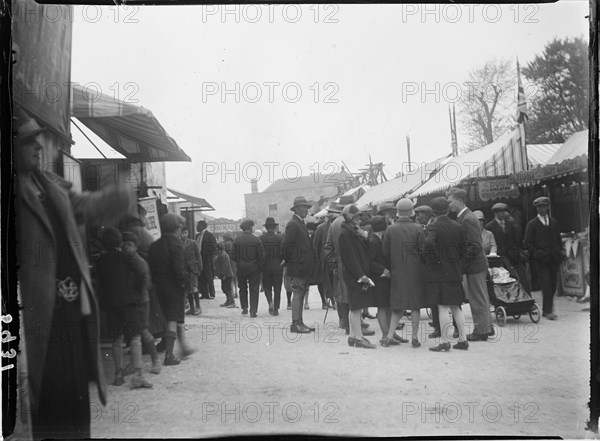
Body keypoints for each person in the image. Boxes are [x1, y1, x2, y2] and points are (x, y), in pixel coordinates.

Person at [14, 105, 134, 439]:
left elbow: (84, 206)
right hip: (37, 320)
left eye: (39, 140)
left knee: (75, 393)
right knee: (46, 395)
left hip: (70, 310)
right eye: (28, 142)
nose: (39, 147)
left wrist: (118, 197)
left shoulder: (51, 185)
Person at [96, 228, 153, 389]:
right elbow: (141, 274)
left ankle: (118, 373)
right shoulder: (125, 256)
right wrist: (136, 290)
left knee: (116, 339)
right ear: (119, 242)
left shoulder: (100, 261)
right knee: (135, 338)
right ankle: (138, 375)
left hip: (111, 304)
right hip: (129, 302)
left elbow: (100, 284)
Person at [149, 213, 195, 365]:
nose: (180, 231)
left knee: (172, 319)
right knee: (173, 320)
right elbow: (179, 269)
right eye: (180, 228)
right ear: (175, 229)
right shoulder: (175, 244)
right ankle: (169, 355)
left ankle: (183, 348)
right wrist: (185, 284)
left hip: (159, 288)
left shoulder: (154, 245)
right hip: (174, 288)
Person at [424, 197, 469, 352]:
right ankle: (463, 340)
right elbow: (465, 249)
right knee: (456, 306)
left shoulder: (434, 227)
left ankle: (444, 341)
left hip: (439, 273)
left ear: (433, 212)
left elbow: (429, 244)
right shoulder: (458, 226)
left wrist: (434, 261)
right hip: (454, 271)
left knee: (442, 307)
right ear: (448, 209)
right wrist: (458, 263)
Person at [447, 187, 491, 342]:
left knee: (477, 298)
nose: (449, 204)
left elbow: (475, 245)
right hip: (476, 264)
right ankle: (486, 328)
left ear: (459, 201)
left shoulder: (467, 219)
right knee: (480, 297)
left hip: (475, 265)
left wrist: (462, 264)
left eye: (451, 201)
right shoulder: (466, 217)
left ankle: (481, 331)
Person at [382, 199, 425, 348]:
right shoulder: (418, 229)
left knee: (397, 305)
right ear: (412, 212)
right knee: (415, 305)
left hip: (397, 270)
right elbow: (423, 251)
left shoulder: (390, 229)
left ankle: (389, 336)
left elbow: (385, 251)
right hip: (415, 271)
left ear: (397, 212)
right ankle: (414, 337)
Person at [120, 231, 161, 375]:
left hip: (141, 301)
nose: (126, 247)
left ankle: (156, 361)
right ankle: (135, 363)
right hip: (131, 301)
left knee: (143, 331)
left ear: (136, 246)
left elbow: (146, 284)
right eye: (123, 244)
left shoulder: (140, 262)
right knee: (132, 333)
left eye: (129, 244)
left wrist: (135, 294)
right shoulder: (124, 261)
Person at [337, 204, 377, 349]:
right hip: (354, 274)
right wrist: (361, 275)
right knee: (356, 307)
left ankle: (353, 336)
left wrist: (363, 235)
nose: (359, 219)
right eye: (356, 216)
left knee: (355, 306)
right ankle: (359, 338)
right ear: (349, 217)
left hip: (355, 273)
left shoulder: (352, 232)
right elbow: (349, 258)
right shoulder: (345, 234)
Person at [523, 197, 562, 320]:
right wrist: (536, 254)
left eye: (544, 206)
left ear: (548, 207)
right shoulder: (532, 224)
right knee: (546, 284)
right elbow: (527, 243)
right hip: (541, 259)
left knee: (553, 284)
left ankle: (548, 309)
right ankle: (547, 310)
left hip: (554, 258)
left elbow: (558, 239)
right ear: (537, 209)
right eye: (540, 207)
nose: (543, 209)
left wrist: (559, 252)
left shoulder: (554, 222)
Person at [282, 196, 316, 333]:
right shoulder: (293, 224)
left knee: (301, 293)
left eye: (307, 208)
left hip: (302, 266)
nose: (306, 210)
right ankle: (296, 324)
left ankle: (300, 322)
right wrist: (294, 262)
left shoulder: (299, 223)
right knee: (298, 293)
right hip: (298, 267)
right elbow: (286, 247)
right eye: (303, 208)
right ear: (296, 209)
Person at [366, 216, 397, 345]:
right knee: (383, 308)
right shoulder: (374, 242)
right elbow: (369, 262)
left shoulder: (377, 239)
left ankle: (390, 334)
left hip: (383, 278)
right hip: (379, 278)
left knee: (387, 307)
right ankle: (385, 335)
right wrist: (382, 270)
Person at [486, 203, 530, 293]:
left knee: (522, 279)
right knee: (504, 283)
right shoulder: (490, 226)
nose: (503, 214)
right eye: (501, 212)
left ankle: (528, 301)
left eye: (504, 211)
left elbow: (517, 238)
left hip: (515, 257)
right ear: (496, 213)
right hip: (501, 259)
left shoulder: (511, 223)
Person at [232, 219, 264, 317]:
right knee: (254, 288)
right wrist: (257, 264)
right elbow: (261, 255)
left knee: (242, 288)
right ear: (250, 228)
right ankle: (253, 311)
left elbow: (233, 256)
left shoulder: (237, 240)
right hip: (254, 268)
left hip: (241, 268)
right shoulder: (256, 240)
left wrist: (240, 262)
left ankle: (244, 308)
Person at [313, 204, 341, 310]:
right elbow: (316, 246)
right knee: (326, 282)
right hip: (325, 261)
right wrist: (318, 260)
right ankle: (329, 301)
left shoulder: (342, 226)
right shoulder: (321, 228)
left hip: (338, 261)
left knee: (337, 283)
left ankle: (337, 302)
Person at [259, 217, 284, 315]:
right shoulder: (279, 238)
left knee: (267, 287)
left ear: (266, 227)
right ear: (274, 228)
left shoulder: (261, 238)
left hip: (266, 267)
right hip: (278, 266)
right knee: (277, 288)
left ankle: (270, 302)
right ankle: (276, 309)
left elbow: (260, 253)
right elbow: (283, 252)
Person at [181, 225, 202, 315]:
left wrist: (200, 268)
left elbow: (198, 256)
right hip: (184, 269)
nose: (184, 235)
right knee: (188, 288)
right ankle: (192, 308)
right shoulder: (178, 244)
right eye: (182, 233)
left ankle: (198, 307)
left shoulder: (193, 243)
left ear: (188, 233)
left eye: (185, 233)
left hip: (193, 268)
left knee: (194, 287)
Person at [196, 220, 217, 299]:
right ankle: (204, 293)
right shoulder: (197, 236)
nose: (197, 227)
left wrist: (208, 255)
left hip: (206, 259)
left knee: (209, 276)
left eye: (198, 226)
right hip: (199, 258)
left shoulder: (209, 235)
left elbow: (214, 247)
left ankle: (211, 293)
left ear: (202, 226)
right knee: (201, 276)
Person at [214, 242, 236, 308]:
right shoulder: (221, 255)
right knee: (225, 288)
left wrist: (223, 275)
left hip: (227, 275)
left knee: (228, 289)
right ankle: (228, 300)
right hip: (225, 275)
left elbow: (225, 266)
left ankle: (232, 302)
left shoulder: (223, 255)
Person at [223, 234, 238, 298]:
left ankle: (232, 292)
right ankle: (236, 291)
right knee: (235, 278)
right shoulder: (234, 243)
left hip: (228, 262)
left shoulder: (226, 244)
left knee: (229, 278)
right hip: (234, 262)